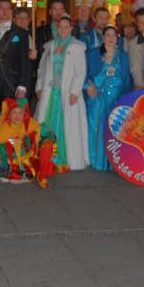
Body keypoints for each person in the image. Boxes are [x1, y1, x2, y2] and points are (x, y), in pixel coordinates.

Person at [35, 15, 89, 171]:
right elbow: (42, 69)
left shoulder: (77, 47)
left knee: (68, 124)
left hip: (68, 92)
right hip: (51, 91)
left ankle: (66, 157)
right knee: (46, 123)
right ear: (56, 28)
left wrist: (75, 91)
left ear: (71, 28)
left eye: (66, 27)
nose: (63, 30)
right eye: (60, 27)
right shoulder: (50, 46)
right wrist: (40, 87)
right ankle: (46, 156)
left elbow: (80, 71)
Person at [84, 26, 133, 171]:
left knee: (114, 129)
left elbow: (127, 78)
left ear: (117, 38)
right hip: (97, 98)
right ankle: (96, 160)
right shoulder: (93, 54)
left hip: (116, 99)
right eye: (108, 35)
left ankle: (113, 162)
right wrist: (88, 86)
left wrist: (126, 97)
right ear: (103, 38)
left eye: (113, 36)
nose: (111, 38)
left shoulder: (123, 55)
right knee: (95, 128)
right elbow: (84, 72)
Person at [0, 98, 56, 189]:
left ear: (24, 114)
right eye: (14, 112)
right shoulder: (2, 129)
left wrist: (49, 146)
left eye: (20, 113)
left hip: (30, 160)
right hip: (13, 166)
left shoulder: (29, 124)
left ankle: (42, 174)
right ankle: (37, 172)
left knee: (48, 144)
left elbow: (48, 133)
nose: (17, 116)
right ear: (9, 114)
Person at [0, 0, 31, 105]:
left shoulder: (22, 33)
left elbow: (25, 62)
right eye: (1, 8)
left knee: (10, 112)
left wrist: (22, 85)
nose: (5, 11)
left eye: (8, 8)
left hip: (12, 82)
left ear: (11, 11)